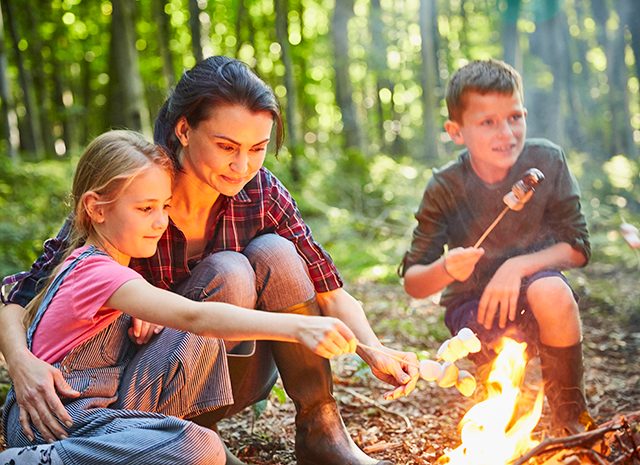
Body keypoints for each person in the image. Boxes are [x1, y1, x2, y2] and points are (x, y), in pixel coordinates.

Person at [0, 56, 418, 465]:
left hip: (227, 368)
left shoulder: (262, 192)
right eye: (226, 147)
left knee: (276, 252)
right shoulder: (133, 189)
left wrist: (373, 349)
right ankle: (181, 443)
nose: (242, 166)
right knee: (230, 270)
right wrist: (21, 366)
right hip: (115, 387)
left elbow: (330, 289)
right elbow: (22, 295)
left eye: (257, 148)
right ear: (184, 129)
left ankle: (320, 430)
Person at [399, 59, 594, 436]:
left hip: (538, 290)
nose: (506, 133)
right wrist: (445, 269)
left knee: (552, 290)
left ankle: (571, 420)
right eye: (487, 122)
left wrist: (516, 266)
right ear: (456, 131)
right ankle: (497, 423)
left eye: (515, 117)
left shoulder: (547, 161)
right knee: (500, 389)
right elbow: (414, 282)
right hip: (475, 309)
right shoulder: (445, 186)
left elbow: (578, 247)